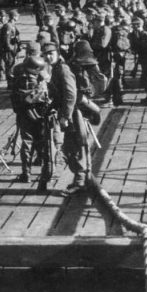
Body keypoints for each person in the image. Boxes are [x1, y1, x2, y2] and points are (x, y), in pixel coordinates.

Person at [43, 42, 89, 195]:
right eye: (45, 54)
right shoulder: (56, 68)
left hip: (72, 114)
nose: (48, 56)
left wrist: (65, 117)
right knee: (72, 146)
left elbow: (70, 94)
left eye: (51, 53)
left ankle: (80, 182)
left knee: (74, 146)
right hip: (67, 113)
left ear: (58, 53)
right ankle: (80, 179)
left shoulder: (63, 69)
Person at [11, 55, 50, 185]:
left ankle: (26, 173)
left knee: (27, 142)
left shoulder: (19, 76)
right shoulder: (41, 78)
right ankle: (44, 168)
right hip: (40, 113)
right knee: (42, 140)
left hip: (24, 113)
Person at [0, 9, 21, 89]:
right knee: (10, 67)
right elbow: (7, 41)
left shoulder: (12, 25)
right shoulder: (8, 26)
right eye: (17, 16)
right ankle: (10, 85)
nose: (18, 17)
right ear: (14, 17)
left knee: (12, 66)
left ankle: (12, 84)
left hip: (13, 49)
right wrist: (12, 50)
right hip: (9, 51)